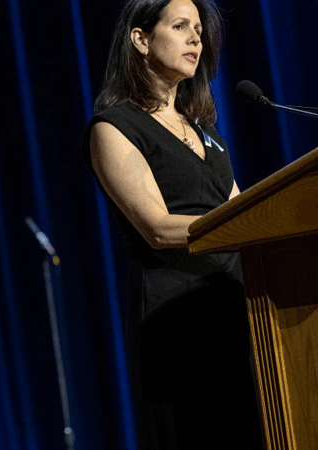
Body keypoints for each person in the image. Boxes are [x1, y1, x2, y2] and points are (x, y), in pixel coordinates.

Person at [82, 0, 264, 448]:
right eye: (180, 26)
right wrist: (245, 225)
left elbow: (243, 209)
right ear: (141, 40)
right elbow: (158, 228)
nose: (196, 38)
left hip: (234, 302)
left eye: (199, 29)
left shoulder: (204, 129)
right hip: (177, 314)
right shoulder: (115, 127)